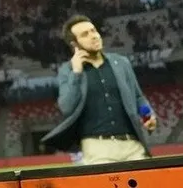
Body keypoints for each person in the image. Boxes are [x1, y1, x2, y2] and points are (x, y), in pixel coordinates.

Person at [41, 16, 155, 164]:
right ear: (74, 44)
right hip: (97, 148)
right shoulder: (67, 70)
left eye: (93, 31)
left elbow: (138, 97)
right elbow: (66, 107)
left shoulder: (121, 63)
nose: (94, 36)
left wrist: (148, 116)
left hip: (132, 145)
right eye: (85, 34)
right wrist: (76, 72)